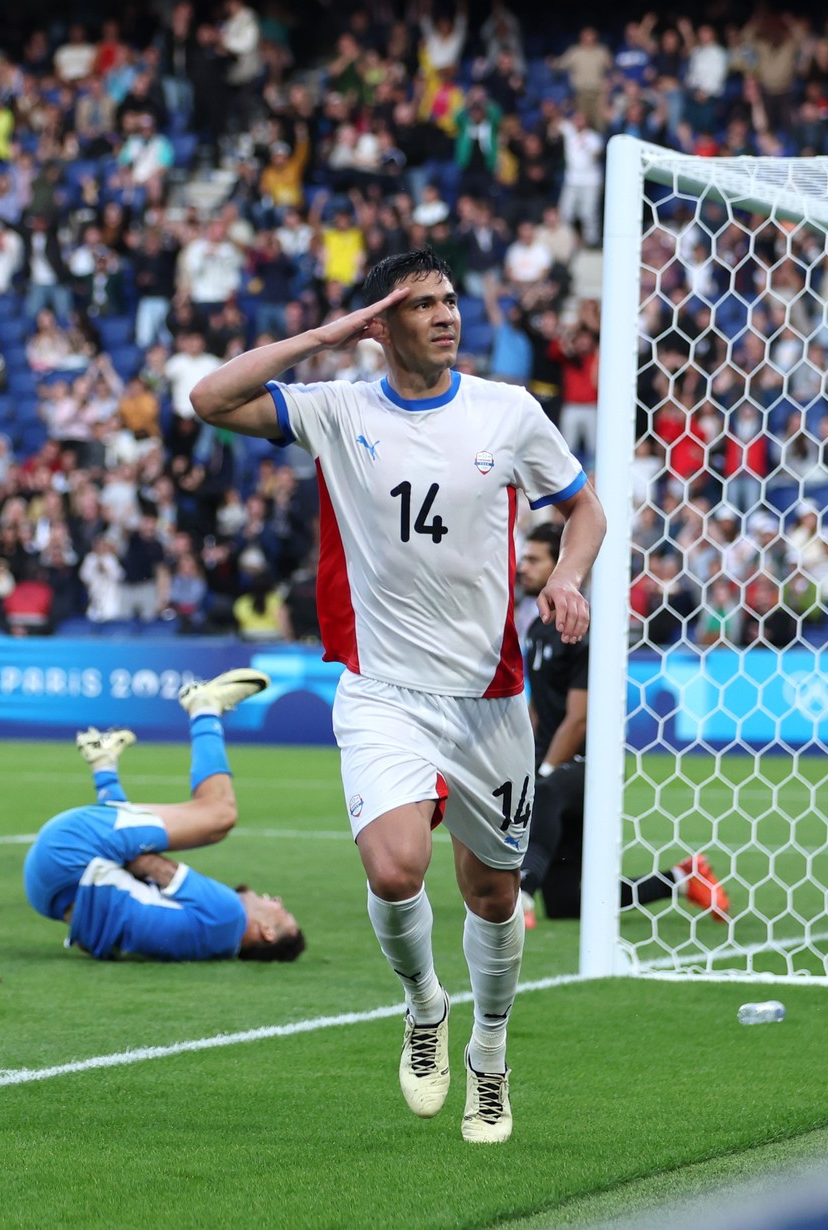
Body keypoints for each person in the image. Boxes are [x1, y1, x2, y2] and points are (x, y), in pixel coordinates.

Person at [189, 248, 606, 1144]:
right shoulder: (340, 411)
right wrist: (329, 336)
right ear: (383, 323)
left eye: (451, 300)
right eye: (423, 305)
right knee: (394, 868)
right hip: (384, 691)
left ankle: (489, 1051)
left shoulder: (508, 410)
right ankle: (425, 1006)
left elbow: (586, 508)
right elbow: (209, 399)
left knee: (493, 895)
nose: (448, 316)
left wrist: (569, 578)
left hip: (490, 700)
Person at [516, 523, 729, 927]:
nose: (522, 567)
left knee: (545, 792)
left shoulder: (583, 630)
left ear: (562, 565)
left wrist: (543, 771)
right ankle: (682, 878)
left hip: (584, 764)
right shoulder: (537, 628)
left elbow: (580, 718)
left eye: (533, 560)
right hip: (551, 761)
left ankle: (521, 896)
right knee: (569, 904)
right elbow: (538, 707)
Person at [23, 669, 305, 962]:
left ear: (267, 932)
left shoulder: (230, 916)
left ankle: (205, 707)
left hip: (67, 849)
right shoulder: (207, 945)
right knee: (131, 849)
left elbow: (151, 865)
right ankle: (103, 763)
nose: (276, 901)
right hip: (46, 892)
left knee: (218, 816)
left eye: (281, 912)